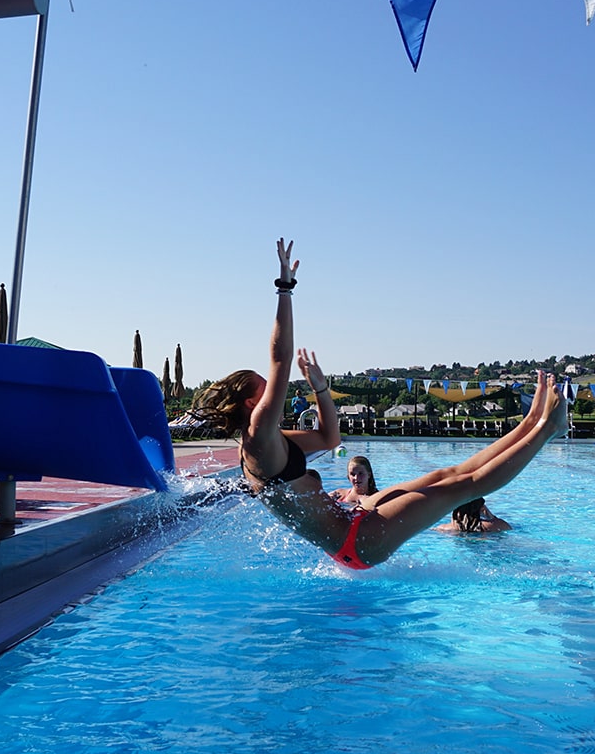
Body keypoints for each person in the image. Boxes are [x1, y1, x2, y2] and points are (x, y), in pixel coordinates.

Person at [190, 239, 568, 570]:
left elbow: (328, 439)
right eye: (266, 387)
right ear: (252, 402)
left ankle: (532, 422)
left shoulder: (268, 441)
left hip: (355, 523)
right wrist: (285, 288)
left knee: (448, 474)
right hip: (358, 540)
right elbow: (280, 359)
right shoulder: (257, 438)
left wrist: (321, 390)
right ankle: (548, 430)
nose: (278, 390)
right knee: (464, 486)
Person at [437, 497, 511, 535]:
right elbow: (508, 528)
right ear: (481, 508)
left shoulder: (443, 528)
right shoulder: (497, 525)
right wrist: (490, 516)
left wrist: (455, 518)